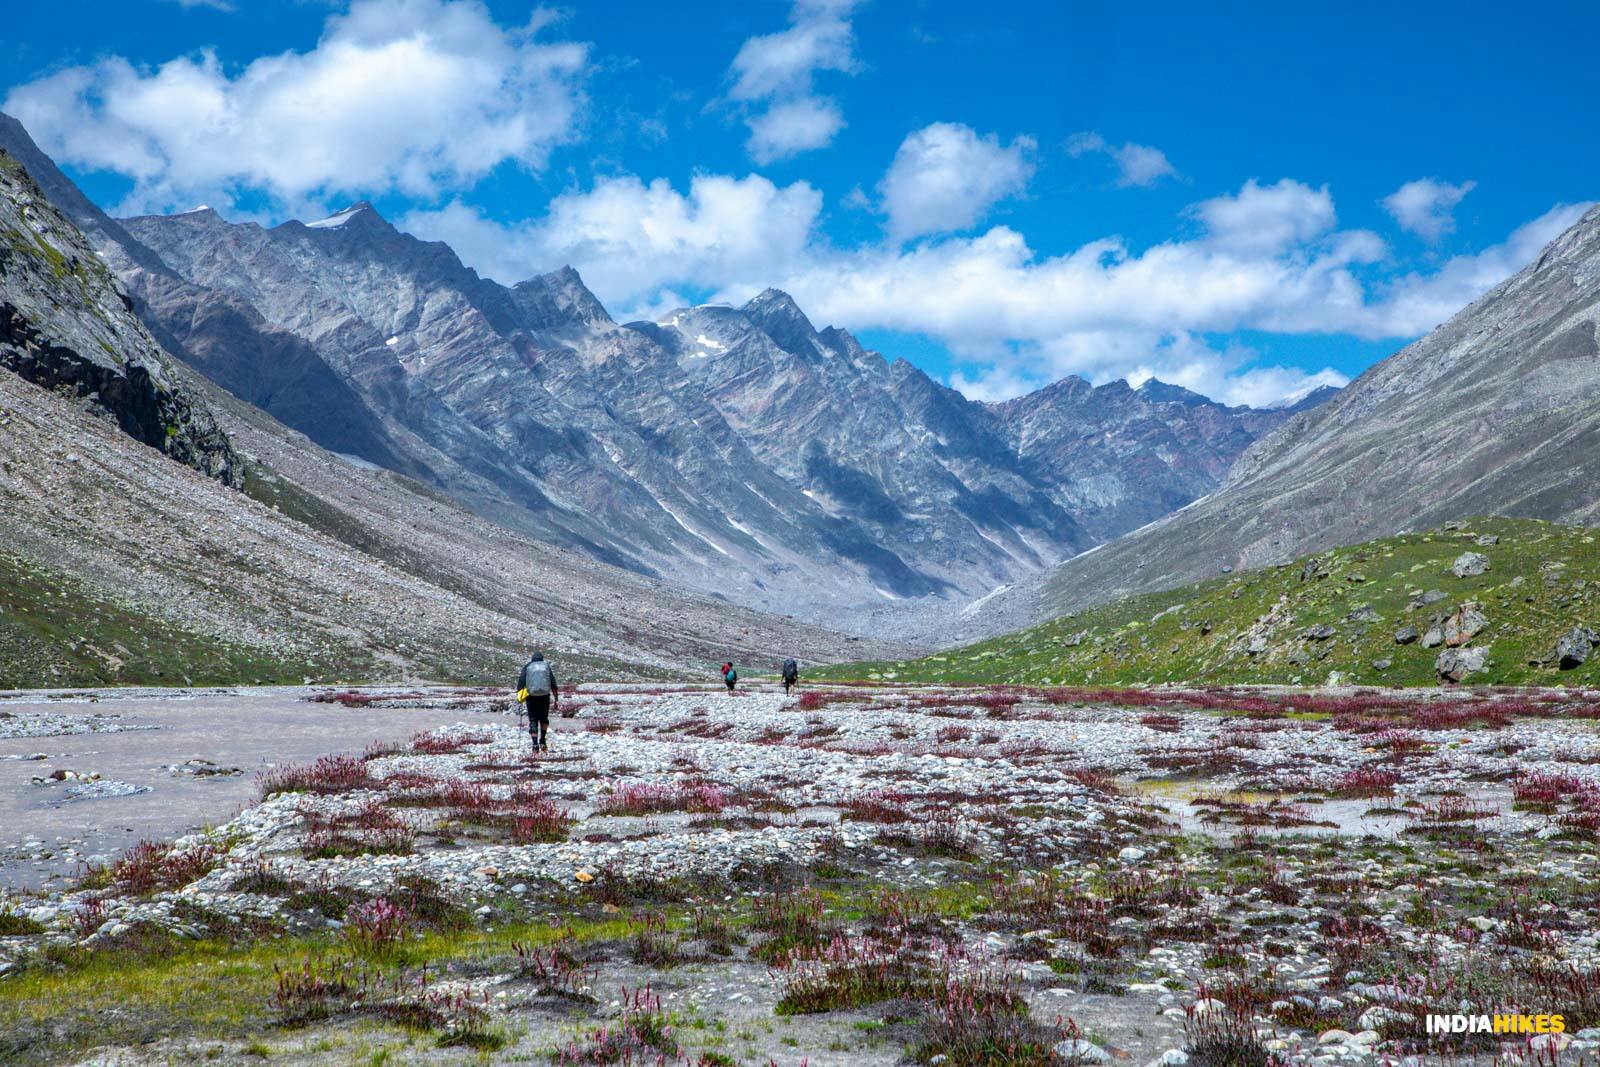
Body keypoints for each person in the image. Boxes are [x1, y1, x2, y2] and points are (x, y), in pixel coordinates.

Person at [516, 650, 559, 752]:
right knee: (544, 718)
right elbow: (553, 683)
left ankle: (535, 744)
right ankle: (543, 741)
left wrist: (520, 697)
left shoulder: (527, 667)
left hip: (531, 697)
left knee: (533, 719)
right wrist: (556, 699)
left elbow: (521, 683)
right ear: (542, 659)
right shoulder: (546, 666)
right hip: (544, 696)